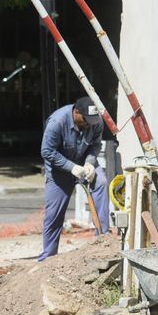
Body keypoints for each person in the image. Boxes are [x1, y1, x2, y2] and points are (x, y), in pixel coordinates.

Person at [38, 96, 110, 261]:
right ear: (76, 112)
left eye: (91, 121)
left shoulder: (95, 121)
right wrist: (72, 168)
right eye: (85, 120)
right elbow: (47, 152)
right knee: (54, 214)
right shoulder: (57, 122)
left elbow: (95, 145)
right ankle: (48, 257)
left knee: (101, 182)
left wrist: (90, 163)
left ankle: (102, 241)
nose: (88, 124)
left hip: (84, 163)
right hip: (59, 170)